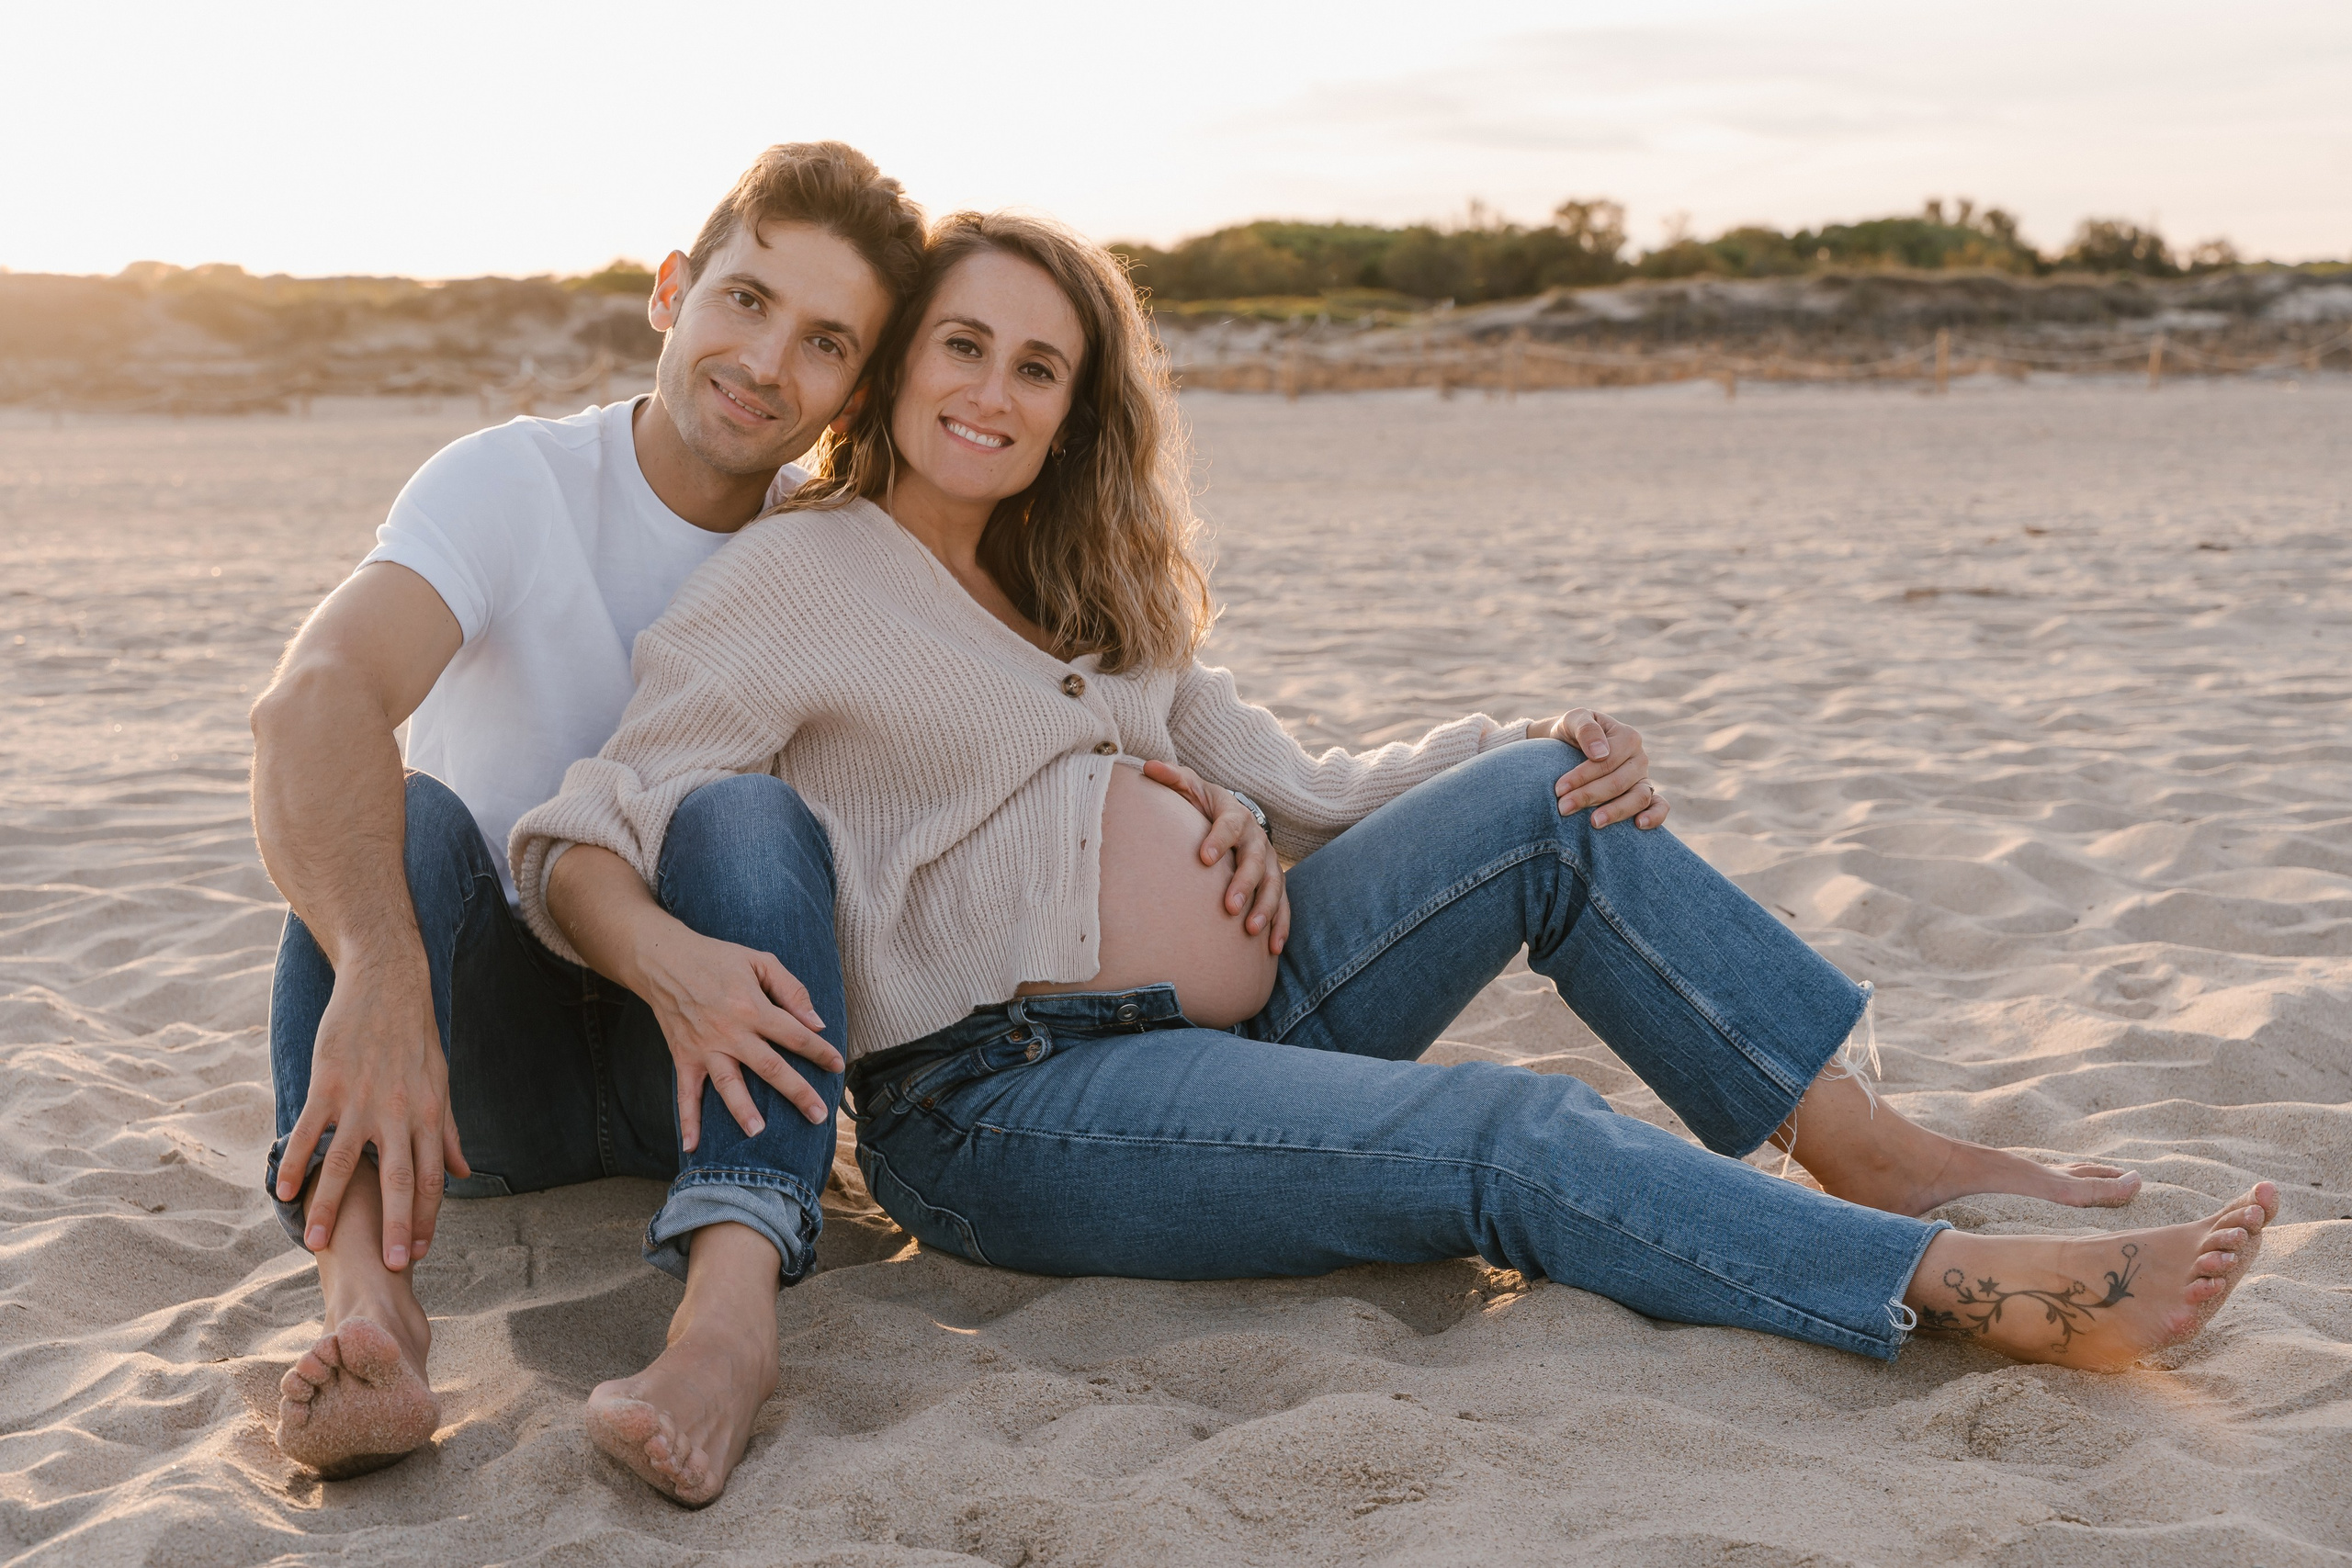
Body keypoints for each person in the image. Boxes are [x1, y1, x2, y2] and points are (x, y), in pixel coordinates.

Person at [515, 210, 2276, 1507]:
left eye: (1038, 365)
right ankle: (1937, 1286)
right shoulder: (799, 578)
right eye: (962, 347)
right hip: (1006, 1109)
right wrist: (659, 955)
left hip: (1244, 1017)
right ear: (903, 367)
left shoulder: (1086, 603)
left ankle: (1872, 1149)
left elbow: (1314, 790)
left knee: (1542, 810)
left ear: (1072, 410)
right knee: (1508, 1136)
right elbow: (596, 816)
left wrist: (1550, 744)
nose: (992, 390)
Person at [250, 145, 1289, 1485]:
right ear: (671, 291)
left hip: (708, 1055)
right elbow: (310, 706)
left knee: (747, 819)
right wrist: (388, 974)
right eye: (743, 302)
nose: (764, 363)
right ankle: (370, 1308)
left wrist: (1212, 794)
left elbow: (1031, 720)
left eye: (824, 342)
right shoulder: (514, 484)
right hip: (470, 1067)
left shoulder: (845, 547)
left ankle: (729, 1324)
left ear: (860, 383)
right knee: (393, 824)